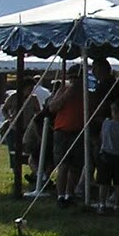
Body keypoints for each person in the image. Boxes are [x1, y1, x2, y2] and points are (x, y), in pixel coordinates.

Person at [45, 72, 86, 207]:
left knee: (76, 166)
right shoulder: (63, 90)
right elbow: (52, 107)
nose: (74, 81)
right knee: (63, 165)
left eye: (76, 78)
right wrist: (66, 95)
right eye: (72, 78)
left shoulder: (85, 93)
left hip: (78, 131)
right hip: (62, 131)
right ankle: (60, 196)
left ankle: (70, 194)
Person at [96, 100, 119, 213]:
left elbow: (102, 137)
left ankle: (102, 204)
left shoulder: (107, 123)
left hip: (106, 154)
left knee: (104, 182)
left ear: (114, 112)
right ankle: (117, 205)